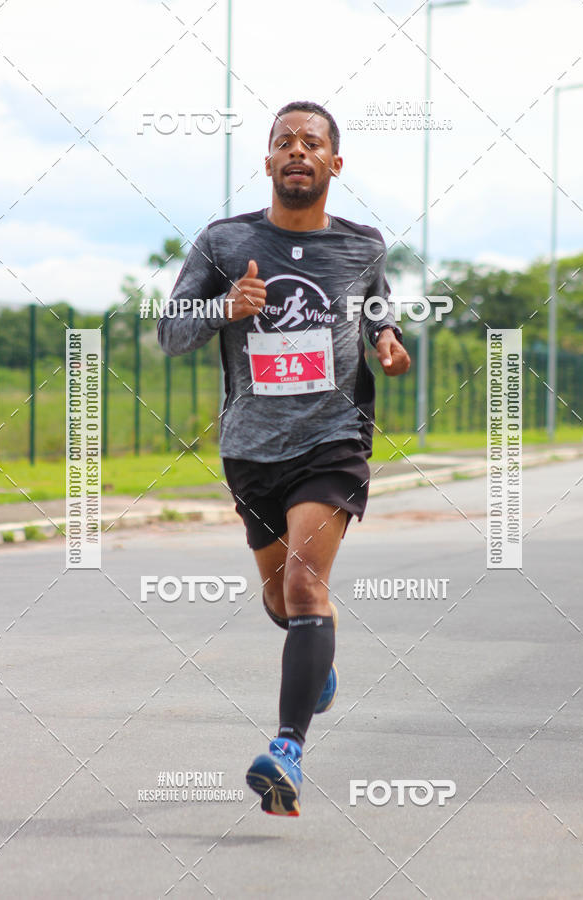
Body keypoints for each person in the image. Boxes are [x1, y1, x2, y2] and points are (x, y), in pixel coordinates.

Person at [158, 100, 410, 816]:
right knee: (281, 599)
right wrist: (223, 310)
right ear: (268, 162)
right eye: (284, 142)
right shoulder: (223, 241)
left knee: (304, 589)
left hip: (332, 438)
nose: (297, 151)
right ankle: (315, 661)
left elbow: (376, 313)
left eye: (312, 143)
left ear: (334, 164)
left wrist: (388, 346)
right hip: (251, 448)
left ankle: (288, 749)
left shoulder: (362, 246)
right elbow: (172, 334)